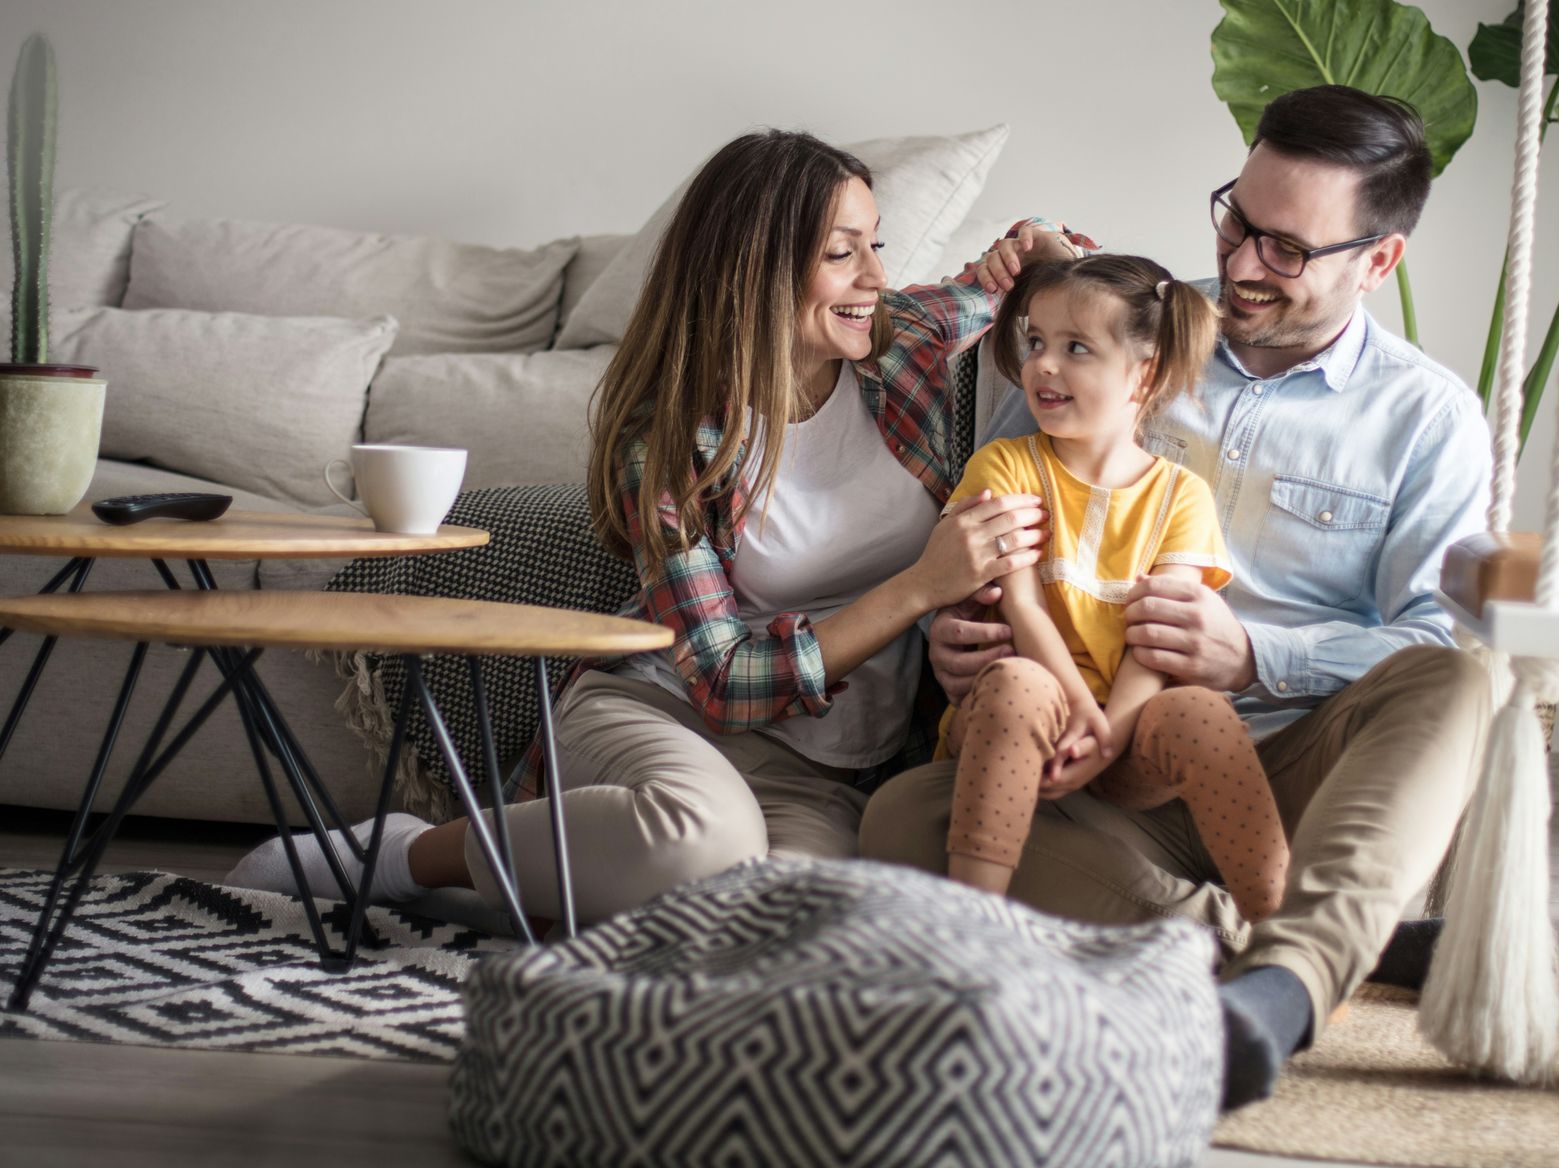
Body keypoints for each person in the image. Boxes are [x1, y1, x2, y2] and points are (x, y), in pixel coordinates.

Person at [226, 129, 1084, 927]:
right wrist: (918, 589)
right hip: (667, 720)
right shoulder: (672, 442)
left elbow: (1016, 272)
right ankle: (407, 857)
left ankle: (510, 900)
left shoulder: (903, 344)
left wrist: (1038, 240)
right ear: (754, 271)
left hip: (821, 774)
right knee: (699, 842)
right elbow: (719, 679)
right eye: (840, 252)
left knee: (796, 929)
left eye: (875, 243)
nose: (873, 276)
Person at [857, 85, 1495, 1109]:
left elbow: (1428, 638)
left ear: (1379, 261)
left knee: (1459, 685)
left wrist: (1257, 655)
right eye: (1236, 218)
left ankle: (1279, 989)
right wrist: (956, 634)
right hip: (1098, 774)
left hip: (1290, 769)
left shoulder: (1428, 419)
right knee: (899, 820)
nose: (1243, 264)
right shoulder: (1111, 330)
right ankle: (1304, 944)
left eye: (1288, 249)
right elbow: (998, 524)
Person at [939, 253, 1289, 926]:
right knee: (1019, 684)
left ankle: (1285, 935)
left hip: (1125, 733)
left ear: (1144, 375)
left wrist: (1110, 735)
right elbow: (1021, 603)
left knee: (1202, 715)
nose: (1043, 364)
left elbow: (1156, 642)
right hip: (1025, 718)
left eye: (1077, 349)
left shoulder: (1181, 496)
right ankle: (971, 927)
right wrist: (1077, 709)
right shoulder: (1005, 464)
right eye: (1036, 342)